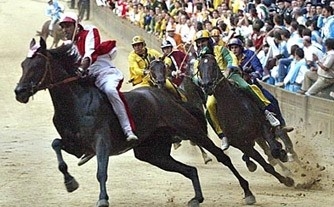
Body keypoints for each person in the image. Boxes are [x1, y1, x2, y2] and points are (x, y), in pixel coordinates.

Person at [59, 12, 138, 164]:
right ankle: (88, 145)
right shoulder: (68, 46)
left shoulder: (89, 31)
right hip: (88, 79)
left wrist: (81, 69)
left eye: (68, 26)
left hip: (104, 74)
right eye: (63, 27)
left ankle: (128, 129)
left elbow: (90, 53)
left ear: (76, 25)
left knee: (110, 91)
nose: (65, 30)